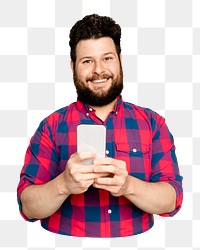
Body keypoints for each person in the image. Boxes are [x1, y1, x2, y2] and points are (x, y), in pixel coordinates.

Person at [17, 14, 183, 238]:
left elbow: (172, 200)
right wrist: (63, 184)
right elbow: (27, 206)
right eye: (87, 61)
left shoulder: (153, 124)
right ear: (73, 66)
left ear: (120, 60)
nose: (98, 70)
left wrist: (128, 186)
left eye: (107, 58)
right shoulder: (51, 127)